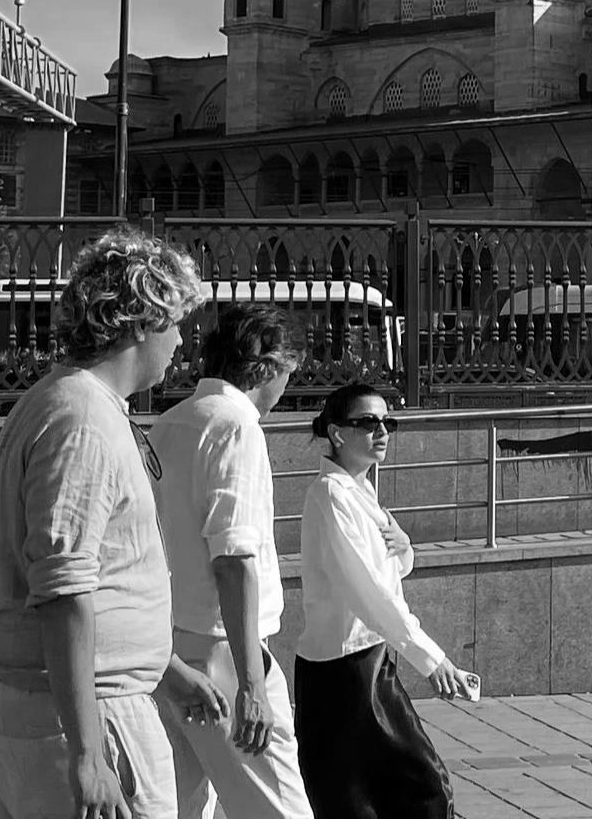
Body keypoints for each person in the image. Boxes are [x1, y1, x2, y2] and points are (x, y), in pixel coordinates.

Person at [0, 229, 225, 819]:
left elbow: (98, 575)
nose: (183, 339)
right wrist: (88, 752)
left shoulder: (67, 401)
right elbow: (64, 587)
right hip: (78, 713)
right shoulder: (81, 418)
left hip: (44, 698)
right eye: (177, 321)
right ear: (140, 322)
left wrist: (163, 669)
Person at [149, 304, 314, 819]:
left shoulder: (170, 423)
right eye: (289, 373)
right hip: (224, 651)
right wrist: (251, 685)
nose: (286, 387)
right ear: (268, 366)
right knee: (279, 809)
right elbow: (234, 557)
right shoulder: (237, 426)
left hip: (169, 645)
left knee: (182, 805)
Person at [292, 383, 472, 819]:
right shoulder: (333, 495)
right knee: (421, 788)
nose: (382, 431)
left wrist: (405, 545)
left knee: (379, 795)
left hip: (359, 664)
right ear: (337, 433)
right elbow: (370, 592)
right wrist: (432, 659)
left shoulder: (359, 490)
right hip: (347, 671)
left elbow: (388, 571)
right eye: (368, 422)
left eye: (387, 422)